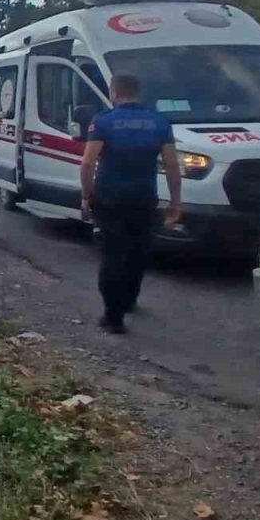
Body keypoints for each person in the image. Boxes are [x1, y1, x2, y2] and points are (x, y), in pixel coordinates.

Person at [80, 74, 182, 334]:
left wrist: (86, 194)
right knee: (138, 251)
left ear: (114, 92)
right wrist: (176, 201)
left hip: (110, 197)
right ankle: (130, 299)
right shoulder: (159, 122)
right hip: (144, 197)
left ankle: (113, 317)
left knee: (112, 254)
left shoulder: (103, 121)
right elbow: (171, 164)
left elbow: (88, 162)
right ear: (139, 92)